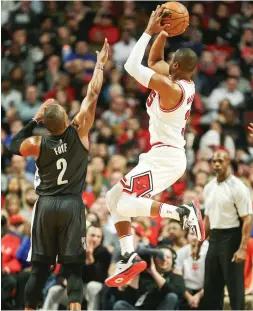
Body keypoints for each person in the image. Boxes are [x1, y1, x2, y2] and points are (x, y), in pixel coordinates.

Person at [105, 5, 205, 287]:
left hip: (166, 159)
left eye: (171, 61)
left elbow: (131, 66)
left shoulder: (170, 88)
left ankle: (182, 212)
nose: (166, 62)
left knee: (122, 203)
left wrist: (148, 30)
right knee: (114, 199)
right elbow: (154, 58)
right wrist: (163, 32)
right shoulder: (179, 80)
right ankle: (129, 255)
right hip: (160, 156)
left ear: (175, 67)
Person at [8, 38, 109, 311]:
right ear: (66, 119)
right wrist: (99, 65)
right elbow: (93, 93)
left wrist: (34, 119)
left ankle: (28, 309)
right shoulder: (79, 132)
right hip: (71, 204)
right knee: (73, 267)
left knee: (39, 269)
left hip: (45, 205)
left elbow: (12, 144)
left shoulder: (38, 143)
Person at [202, 150, 253, 310]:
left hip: (233, 236)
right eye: (214, 161)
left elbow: (247, 218)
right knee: (211, 284)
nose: (217, 164)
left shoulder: (238, 187)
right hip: (214, 237)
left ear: (228, 162)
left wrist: (243, 247)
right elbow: (208, 217)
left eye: (221, 161)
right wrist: (200, 241)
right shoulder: (209, 187)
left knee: (234, 285)